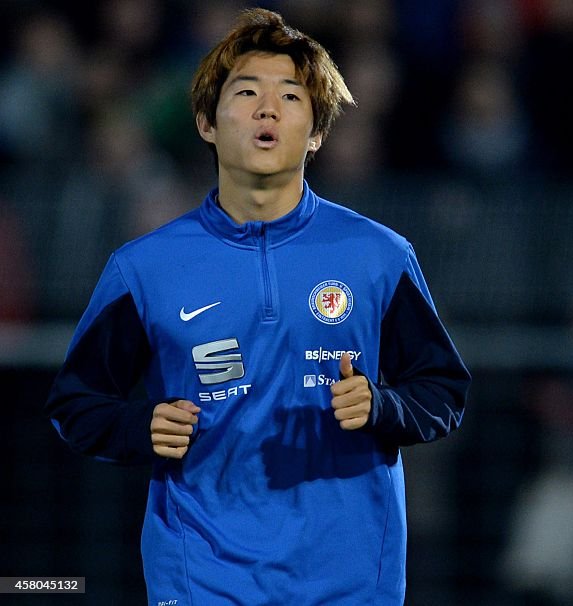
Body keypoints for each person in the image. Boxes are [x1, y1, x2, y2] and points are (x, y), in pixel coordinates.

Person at [44, 8, 470, 605]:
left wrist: (382, 404)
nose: (268, 108)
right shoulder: (143, 268)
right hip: (201, 578)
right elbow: (75, 405)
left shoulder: (379, 256)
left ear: (317, 132)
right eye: (246, 92)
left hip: (349, 581)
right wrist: (139, 424)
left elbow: (443, 391)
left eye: (291, 96)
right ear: (206, 123)